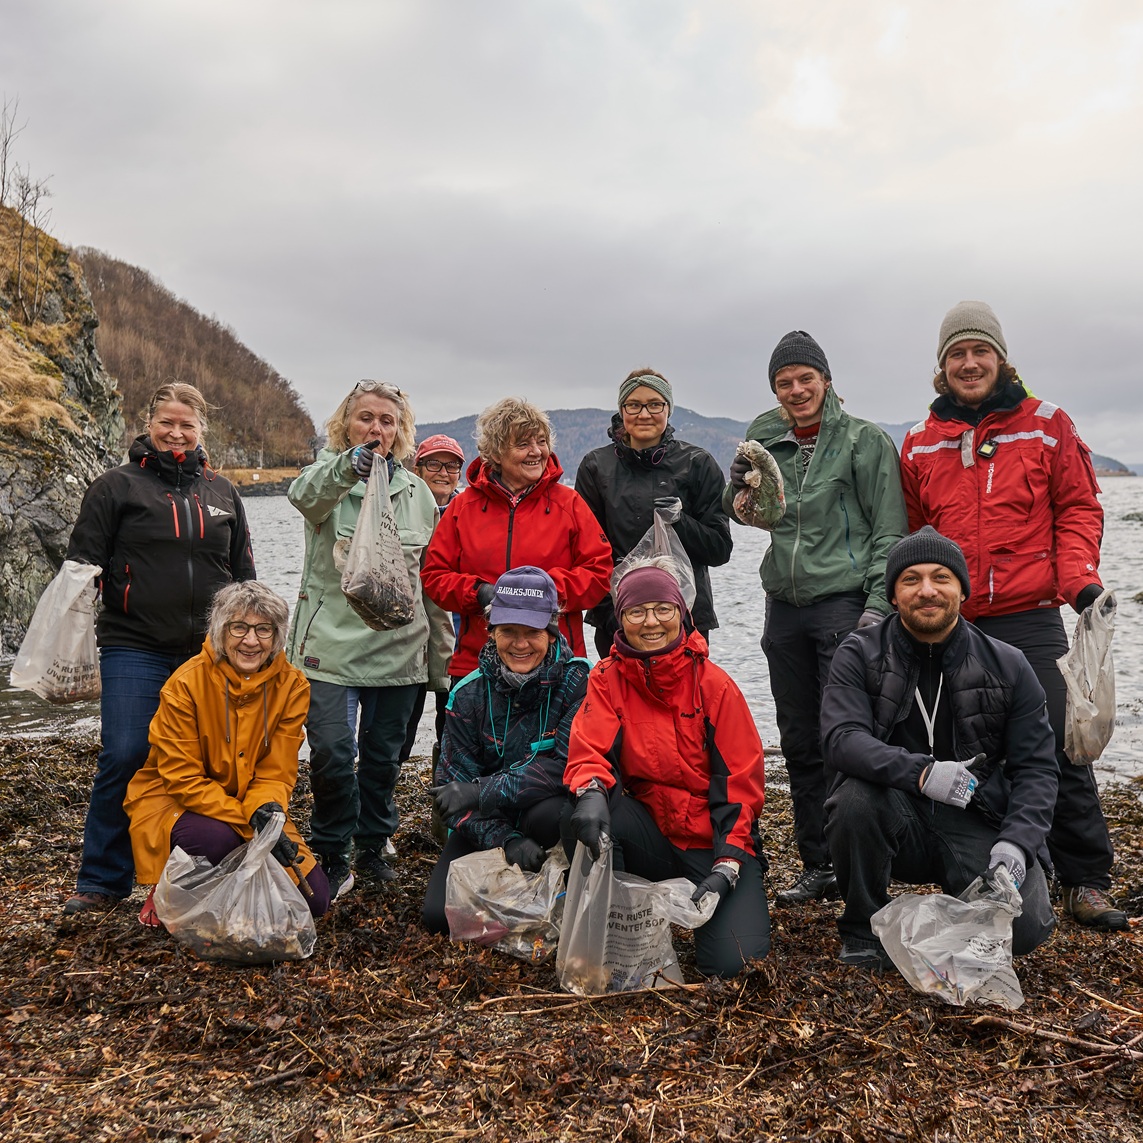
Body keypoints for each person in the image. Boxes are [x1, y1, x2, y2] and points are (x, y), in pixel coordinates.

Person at [900, 301, 1126, 931]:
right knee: (955, 743)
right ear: (942, 366)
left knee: (1057, 741)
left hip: (1029, 614)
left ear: (1001, 359)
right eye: (957, 354)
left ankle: (1086, 879)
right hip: (951, 621)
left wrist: (1078, 580)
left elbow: (1078, 508)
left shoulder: (1048, 425)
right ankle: (988, 862)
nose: (969, 363)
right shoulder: (919, 441)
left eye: (981, 351)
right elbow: (914, 532)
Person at [724, 331, 907, 906]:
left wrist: (877, 607)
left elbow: (889, 530)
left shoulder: (864, 441)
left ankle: (859, 863)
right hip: (784, 608)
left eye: (806, 378)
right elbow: (751, 514)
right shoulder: (763, 437)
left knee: (845, 738)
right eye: (784, 382)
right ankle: (818, 863)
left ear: (826, 381)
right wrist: (739, 489)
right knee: (799, 739)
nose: (797, 390)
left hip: (844, 606)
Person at [821, 527, 1059, 969]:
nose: (927, 590)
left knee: (1025, 928)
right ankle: (862, 929)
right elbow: (841, 740)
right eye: (911, 579)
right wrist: (924, 773)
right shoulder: (858, 653)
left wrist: (1017, 844)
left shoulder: (1008, 663)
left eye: (941, 578)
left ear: (962, 591)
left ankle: (947, 921)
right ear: (893, 596)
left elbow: (1037, 769)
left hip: (976, 817)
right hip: (893, 809)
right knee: (852, 800)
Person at [61, 382, 256, 916]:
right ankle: (102, 880)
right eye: (166, 422)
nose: (176, 433)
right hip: (134, 643)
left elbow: (244, 576)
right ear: (148, 424)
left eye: (186, 425)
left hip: (209, 652)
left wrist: (252, 643)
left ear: (201, 430)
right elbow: (80, 567)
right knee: (126, 753)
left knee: (209, 762)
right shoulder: (115, 487)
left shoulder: (222, 492)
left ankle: (194, 873)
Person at [286, 380, 453, 899]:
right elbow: (303, 496)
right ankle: (331, 849)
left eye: (387, 420)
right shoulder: (326, 478)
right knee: (334, 752)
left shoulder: (418, 494)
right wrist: (348, 468)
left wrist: (441, 665)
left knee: (384, 759)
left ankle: (373, 845)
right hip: (329, 648)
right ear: (345, 424)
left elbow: (429, 585)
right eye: (365, 417)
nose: (376, 428)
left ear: (400, 431)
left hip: (399, 652)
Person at [563, 563, 770, 978]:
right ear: (620, 619)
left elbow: (741, 787)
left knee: (731, 964)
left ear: (682, 613)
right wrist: (590, 790)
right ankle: (615, 926)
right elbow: (588, 748)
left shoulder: (715, 686)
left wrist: (727, 865)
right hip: (651, 835)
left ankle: (721, 888)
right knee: (583, 814)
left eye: (663, 609)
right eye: (636, 611)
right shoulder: (606, 679)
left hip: (709, 843)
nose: (651, 621)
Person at [125, 582, 331, 925]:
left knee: (315, 900)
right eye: (239, 628)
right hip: (175, 801)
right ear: (221, 631)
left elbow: (276, 773)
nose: (251, 641)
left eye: (264, 629)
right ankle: (170, 889)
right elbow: (182, 780)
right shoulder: (185, 684)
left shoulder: (293, 686)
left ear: (277, 636)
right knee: (214, 839)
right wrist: (251, 822)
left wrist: (265, 810)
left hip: (248, 804)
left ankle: (232, 896)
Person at [421, 567, 590, 934]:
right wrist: (506, 841)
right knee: (437, 917)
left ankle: (569, 886)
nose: (520, 644)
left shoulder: (579, 682)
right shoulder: (466, 695)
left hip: (548, 815)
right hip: (488, 823)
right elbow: (452, 792)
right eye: (508, 631)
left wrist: (480, 791)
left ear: (552, 631)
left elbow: (564, 767)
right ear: (491, 630)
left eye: (532, 632)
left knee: (558, 810)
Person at [421, 396, 612, 685]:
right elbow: (435, 576)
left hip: (557, 663)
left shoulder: (569, 503)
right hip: (477, 664)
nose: (536, 451)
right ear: (496, 453)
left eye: (541, 441)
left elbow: (599, 572)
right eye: (523, 444)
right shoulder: (463, 507)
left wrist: (545, 592)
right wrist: (479, 593)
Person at [575, 367, 732, 658]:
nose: (644, 414)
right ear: (621, 410)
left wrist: (680, 521)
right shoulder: (596, 467)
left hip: (686, 616)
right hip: (616, 616)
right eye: (634, 405)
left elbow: (720, 549)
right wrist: (611, 615)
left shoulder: (698, 464)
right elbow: (588, 553)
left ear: (668, 409)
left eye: (654, 404)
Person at [400, 434, 467, 771]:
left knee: (451, 716)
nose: (443, 472)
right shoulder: (402, 508)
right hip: (408, 633)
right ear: (418, 469)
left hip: (455, 635)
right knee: (402, 719)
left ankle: (445, 777)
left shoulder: (468, 512)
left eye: (452, 465)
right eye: (434, 464)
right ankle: (390, 774)